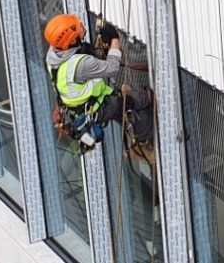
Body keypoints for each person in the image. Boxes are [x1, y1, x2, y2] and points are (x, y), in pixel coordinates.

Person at [44, 14, 155, 164]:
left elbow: (84, 54)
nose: (82, 25)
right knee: (142, 98)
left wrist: (98, 51)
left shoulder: (54, 55)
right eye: (79, 28)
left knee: (124, 109)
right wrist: (115, 39)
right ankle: (144, 142)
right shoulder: (80, 65)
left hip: (81, 106)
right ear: (72, 40)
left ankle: (140, 133)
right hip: (99, 106)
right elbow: (112, 68)